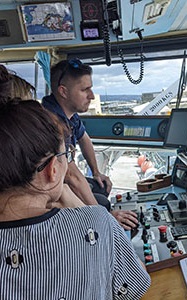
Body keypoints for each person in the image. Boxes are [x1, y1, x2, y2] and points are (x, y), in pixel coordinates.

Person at [0, 98, 151, 299]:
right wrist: (81, 208)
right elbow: (136, 282)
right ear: (52, 169)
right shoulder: (97, 222)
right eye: (67, 155)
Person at [39, 59, 138, 230]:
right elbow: (71, 175)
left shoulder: (68, 115)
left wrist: (96, 172)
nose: (92, 96)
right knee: (102, 202)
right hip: (49, 194)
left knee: (100, 187)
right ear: (63, 91)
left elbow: (84, 139)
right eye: (85, 90)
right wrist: (105, 217)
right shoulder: (50, 122)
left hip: (62, 184)